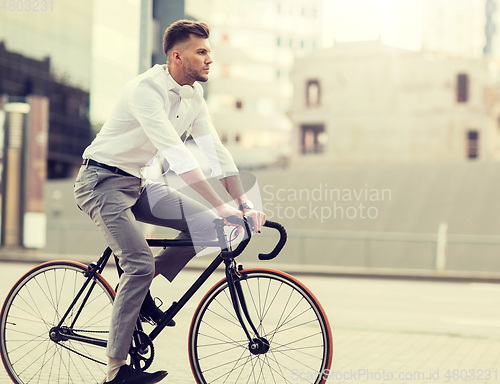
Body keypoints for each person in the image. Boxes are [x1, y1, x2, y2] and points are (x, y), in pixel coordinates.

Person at [74, 19, 266, 384]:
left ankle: (141, 287)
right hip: (100, 182)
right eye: (202, 52)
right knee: (139, 264)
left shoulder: (195, 97)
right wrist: (221, 205)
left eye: (210, 51)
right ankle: (115, 372)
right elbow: (176, 155)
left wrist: (242, 204)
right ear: (177, 57)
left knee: (208, 225)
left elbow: (217, 154)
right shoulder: (146, 90)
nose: (210, 59)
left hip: (139, 183)